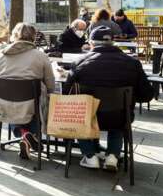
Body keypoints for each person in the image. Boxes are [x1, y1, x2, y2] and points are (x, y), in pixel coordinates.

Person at [63, 26, 155, 171]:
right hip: (120, 117)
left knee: (80, 115)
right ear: (113, 42)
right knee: (118, 115)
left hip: (88, 117)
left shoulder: (79, 62)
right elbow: (147, 95)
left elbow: (67, 93)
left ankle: (90, 156)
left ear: (91, 43)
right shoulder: (133, 63)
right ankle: (113, 156)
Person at [0, 23, 56, 160]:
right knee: (41, 102)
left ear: (14, 35)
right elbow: (50, 83)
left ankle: (24, 135)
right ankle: (29, 135)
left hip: (2, 105)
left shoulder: (2, 54)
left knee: (15, 105)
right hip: (31, 105)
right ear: (33, 37)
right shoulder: (40, 56)